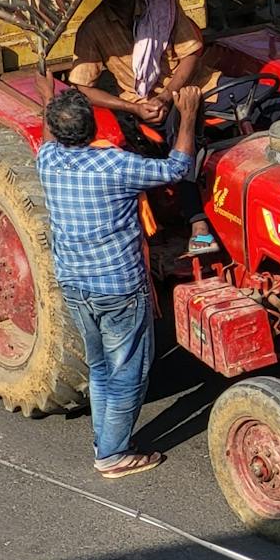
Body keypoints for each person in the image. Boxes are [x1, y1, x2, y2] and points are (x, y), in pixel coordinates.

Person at [37, 83, 202, 479]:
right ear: (94, 127)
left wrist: (48, 93)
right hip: (119, 287)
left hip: (75, 284)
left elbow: (49, 132)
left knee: (100, 367)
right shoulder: (116, 166)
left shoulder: (47, 159)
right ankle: (112, 454)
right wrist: (189, 113)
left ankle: (104, 442)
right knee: (127, 369)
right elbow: (177, 169)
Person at [66, 0, 214, 139]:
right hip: (145, 107)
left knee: (249, 96)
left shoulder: (163, 3)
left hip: (198, 87)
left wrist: (166, 96)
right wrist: (134, 108)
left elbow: (191, 53)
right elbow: (83, 87)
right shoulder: (91, 29)